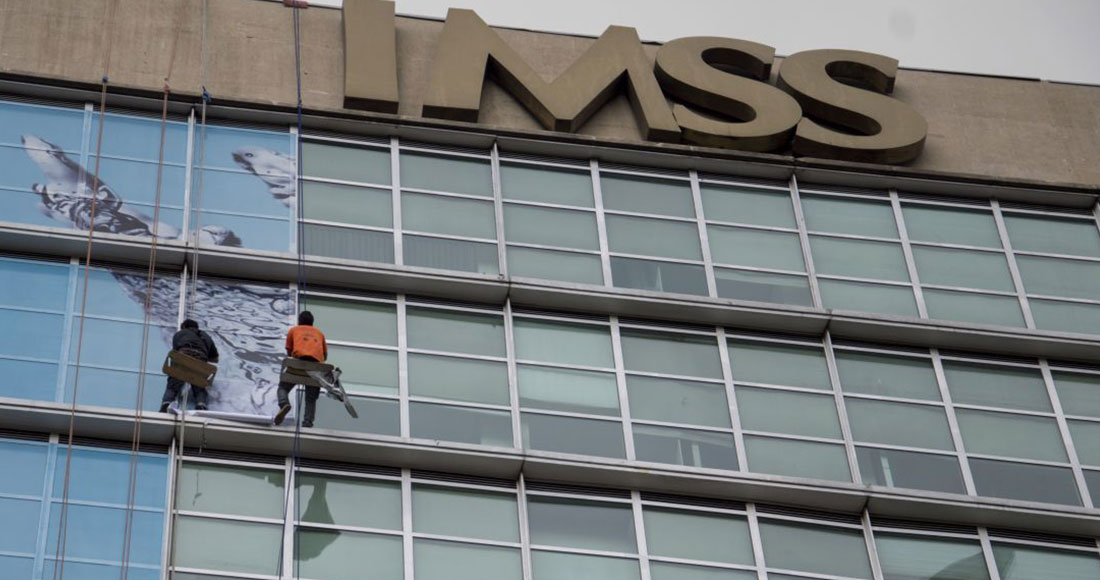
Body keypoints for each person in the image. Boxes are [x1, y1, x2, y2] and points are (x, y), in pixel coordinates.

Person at [276, 310, 328, 427]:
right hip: (315, 367)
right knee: (311, 399)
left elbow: (289, 351)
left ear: (300, 321)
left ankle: (284, 404)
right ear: (312, 322)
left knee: (282, 388)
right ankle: (308, 422)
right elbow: (324, 356)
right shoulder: (320, 334)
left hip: (298, 364)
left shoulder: (293, 330)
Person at [160, 319, 219, 413]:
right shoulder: (206, 336)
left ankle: (166, 404)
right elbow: (215, 359)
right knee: (199, 386)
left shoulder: (180, 334)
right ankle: (201, 405)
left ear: (184, 326)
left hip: (183, 357)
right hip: (200, 361)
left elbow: (176, 350)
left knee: (173, 384)